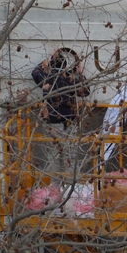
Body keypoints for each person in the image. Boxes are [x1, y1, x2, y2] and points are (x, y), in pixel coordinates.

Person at [31, 49, 90, 186]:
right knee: (71, 156)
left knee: (53, 157)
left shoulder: (46, 80)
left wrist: (50, 58)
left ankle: (55, 188)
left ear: (51, 66)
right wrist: (81, 74)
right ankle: (70, 187)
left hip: (52, 124)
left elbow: (34, 72)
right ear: (65, 67)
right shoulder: (71, 81)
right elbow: (85, 91)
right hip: (70, 123)